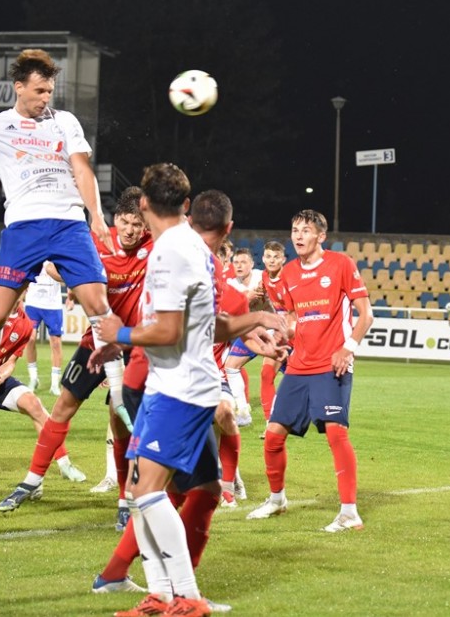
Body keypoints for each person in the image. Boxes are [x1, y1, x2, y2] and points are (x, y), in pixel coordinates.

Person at [94, 169, 285, 617]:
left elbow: (169, 330)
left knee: (147, 492)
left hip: (178, 389)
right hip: (176, 383)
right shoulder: (193, 249)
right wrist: (256, 320)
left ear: (143, 204)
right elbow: (206, 325)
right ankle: (162, 596)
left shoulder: (171, 252)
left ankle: (185, 596)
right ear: (184, 204)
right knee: (162, 488)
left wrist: (119, 333)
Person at [0, 48, 125, 414]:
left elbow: (81, 168)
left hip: (69, 224)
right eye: (39, 91)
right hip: (23, 227)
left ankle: (120, 395)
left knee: (99, 307)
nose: (45, 98)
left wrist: (96, 215)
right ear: (18, 87)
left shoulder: (64, 121)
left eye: (50, 91)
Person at [0, 186, 149, 516]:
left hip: (132, 346)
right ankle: (31, 481)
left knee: (119, 420)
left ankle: (125, 498)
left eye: (137, 224)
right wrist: (77, 280)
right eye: (125, 222)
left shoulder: (154, 245)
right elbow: (52, 265)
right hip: (94, 342)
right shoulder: (95, 240)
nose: (130, 230)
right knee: (64, 405)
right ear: (115, 219)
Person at [247, 209, 374, 533]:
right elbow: (292, 318)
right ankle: (277, 500)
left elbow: (366, 315)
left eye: (305, 230)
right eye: (295, 230)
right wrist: (282, 336)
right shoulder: (289, 272)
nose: (298, 236)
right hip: (299, 365)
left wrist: (348, 348)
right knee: (273, 435)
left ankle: (349, 512)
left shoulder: (341, 264)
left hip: (332, 363)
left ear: (321, 236)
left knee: (335, 432)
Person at [0, 300, 85, 482]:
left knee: (33, 404)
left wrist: (2, 375)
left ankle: (64, 464)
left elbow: (11, 361)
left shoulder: (25, 325)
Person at [224, 240, 288, 429]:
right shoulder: (230, 284)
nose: (239, 266)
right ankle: (243, 412)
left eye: (244, 262)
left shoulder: (262, 276)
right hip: (250, 331)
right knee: (231, 366)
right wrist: (248, 297)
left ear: (252, 264)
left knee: (286, 371)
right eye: (236, 262)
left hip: (273, 330)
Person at [23, 260, 69, 395]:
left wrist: (70, 295)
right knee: (30, 338)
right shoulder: (33, 253)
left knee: (56, 342)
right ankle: (33, 378)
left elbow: (66, 274)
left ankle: (54, 384)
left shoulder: (57, 255)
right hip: (32, 302)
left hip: (52, 304)